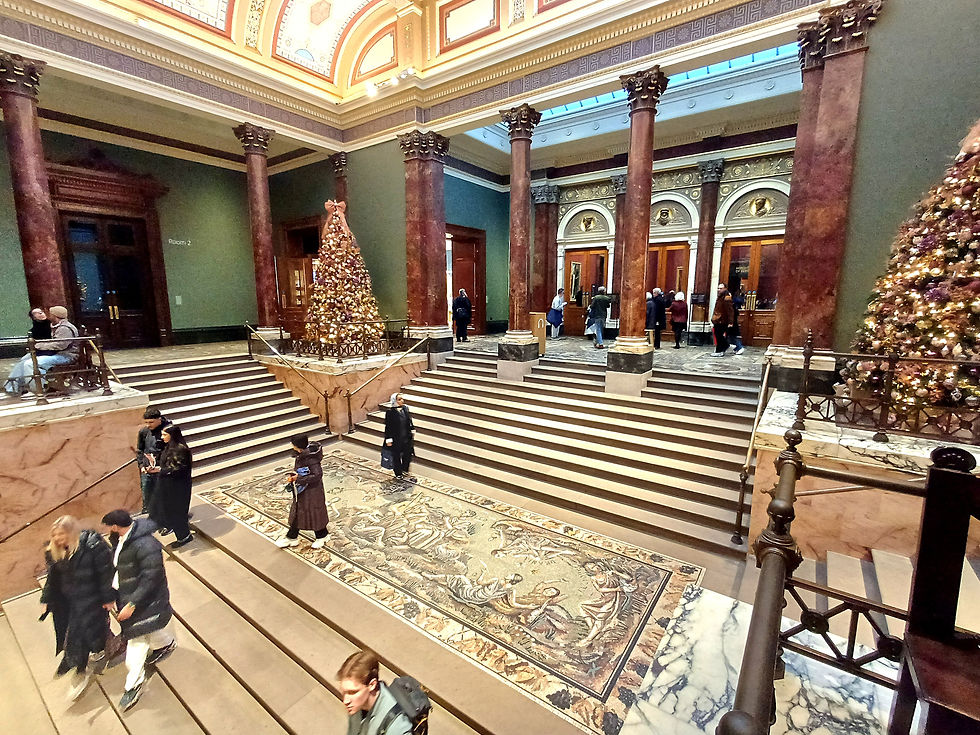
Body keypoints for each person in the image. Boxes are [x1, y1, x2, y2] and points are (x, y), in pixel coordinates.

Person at [101, 509, 176, 712]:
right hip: (128, 596)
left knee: (137, 640)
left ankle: (133, 685)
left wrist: (132, 604)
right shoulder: (120, 540)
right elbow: (117, 568)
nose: (108, 530)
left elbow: (151, 577)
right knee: (152, 631)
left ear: (116, 526)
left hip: (144, 601)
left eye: (109, 526)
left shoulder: (146, 545)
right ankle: (166, 644)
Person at [40, 515, 115, 702]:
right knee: (73, 630)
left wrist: (108, 597)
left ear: (72, 532)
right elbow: (53, 577)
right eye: (55, 535)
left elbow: (106, 573)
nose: (58, 539)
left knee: (77, 634)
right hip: (68, 600)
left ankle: (79, 668)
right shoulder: (54, 551)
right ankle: (97, 650)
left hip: (91, 598)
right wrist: (47, 599)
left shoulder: (92, 547)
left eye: (61, 534)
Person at [5, 305, 79, 395]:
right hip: (56, 353)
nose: (48, 316)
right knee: (24, 360)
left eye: (51, 314)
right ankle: (12, 387)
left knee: (30, 364)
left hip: (66, 356)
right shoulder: (57, 326)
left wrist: (39, 346)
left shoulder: (65, 328)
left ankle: (39, 389)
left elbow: (60, 345)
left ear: (55, 315)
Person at [338, 649, 413, 735]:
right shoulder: (357, 704)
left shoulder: (396, 726)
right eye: (344, 692)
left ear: (372, 685)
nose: (346, 701)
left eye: (353, 692)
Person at [277, 433, 329, 549]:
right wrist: (296, 476)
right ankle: (292, 537)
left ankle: (321, 536)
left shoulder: (310, 458)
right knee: (299, 512)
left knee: (313, 512)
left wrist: (298, 478)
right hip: (303, 490)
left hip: (312, 491)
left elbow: (317, 475)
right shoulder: (301, 455)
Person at [148, 424, 194, 548]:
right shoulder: (168, 447)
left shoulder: (181, 449)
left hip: (178, 487)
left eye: (164, 435)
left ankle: (184, 537)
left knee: (177, 512)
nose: (162, 437)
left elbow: (178, 469)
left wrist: (159, 470)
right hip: (167, 485)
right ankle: (171, 528)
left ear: (172, 435)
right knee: (166, 510)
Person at [136, 407, 171, 519]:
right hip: (147, 470)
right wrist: (142, 466)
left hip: (161, 469)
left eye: (151, 422)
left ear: (159, 419)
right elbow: (140, 450)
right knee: (147, 493)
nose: (148, 425)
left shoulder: (167, 431)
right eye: (146, 422)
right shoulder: (143, 432)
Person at [384, 393, 415, 479]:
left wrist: (412, 428)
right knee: (396, 455)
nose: (402, 401)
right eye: (399, 399)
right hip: (396, 438)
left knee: (407, 454)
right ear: (395, 401)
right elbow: (388, 426)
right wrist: (388, 439)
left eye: (402, 399)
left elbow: (409, 420)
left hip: (406, 437)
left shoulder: (405, 408)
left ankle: (405, 469)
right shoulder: (390, 412)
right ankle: (398, 472)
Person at [711, 283, 734, 357]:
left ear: (725, 288)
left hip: (722, 319)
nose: (719, 290)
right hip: (718, 319)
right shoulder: (720, 296)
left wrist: (731, 321)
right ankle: (720, 349)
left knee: (719, 335)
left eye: (720, 288)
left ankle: (721, 349)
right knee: (718, 335)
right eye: (718, 288)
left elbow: (730, 310)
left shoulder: (726, 297)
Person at [728, 287, 746, 355]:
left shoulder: (732, 304)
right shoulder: (732, 304)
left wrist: (730, 322)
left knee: (733, 336)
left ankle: (740, 347)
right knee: (731, 336)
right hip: (732, 322)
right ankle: (736, 348)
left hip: (732, 323)